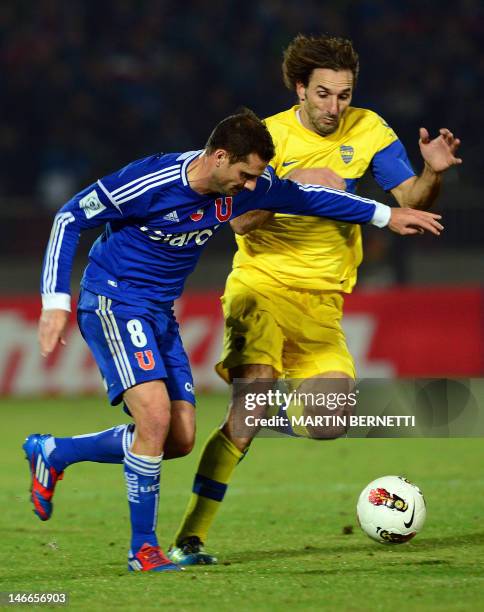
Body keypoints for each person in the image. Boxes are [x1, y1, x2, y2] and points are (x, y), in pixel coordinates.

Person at [23, 109, 441, 573]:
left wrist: (388, 215)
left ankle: (55, 451)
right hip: (114, 302)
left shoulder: (243, 185)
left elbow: (308, 198)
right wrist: (54, 301)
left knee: (177, 438)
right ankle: (144, 550)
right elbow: (68, 219)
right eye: (244, 175)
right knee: (156, 419)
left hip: (159, 314)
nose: (248, 187)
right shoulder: (149, 181)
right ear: (219, 156)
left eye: (255, 178)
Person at [168, 35, 462, 566]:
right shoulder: (268, 137)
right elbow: (238, 220)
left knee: (331, 421)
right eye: (323, 94)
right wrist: (289, 184)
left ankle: (253, 411)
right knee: (252, 398)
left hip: (324, 302)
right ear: (300, 89)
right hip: (260, 286)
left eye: (344, 96)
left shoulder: (370, 129)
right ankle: (191, 536)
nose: (334, 108)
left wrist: (431, 173)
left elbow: (410, 203)